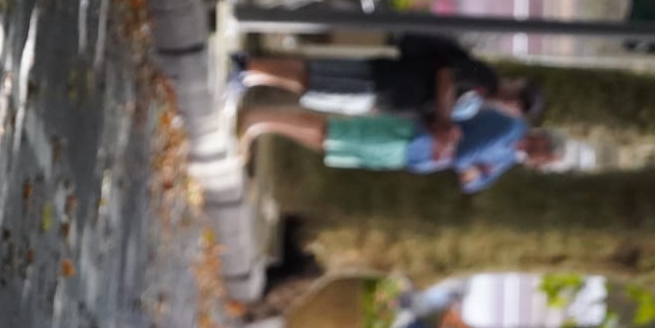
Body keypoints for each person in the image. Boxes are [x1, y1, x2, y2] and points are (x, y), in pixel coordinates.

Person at [238, 100, 562, 193]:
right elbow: (466, 157)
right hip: (414, 136)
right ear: (543, 143)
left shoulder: (510, 154)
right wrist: (469, 165)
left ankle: (266, 125)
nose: (539, 164)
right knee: (336, 131)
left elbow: (474, 183)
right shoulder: (510, 128)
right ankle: (260, 118)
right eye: (546, 158)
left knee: (333, 145)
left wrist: (470, 167)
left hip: (414, 155)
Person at [233, 33, 538, 130]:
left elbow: (430, 113)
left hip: (386, 96)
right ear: (517, 83)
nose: (512, 103)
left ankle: (252, 73)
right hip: (388, 80)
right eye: (519, 96)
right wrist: (444, 121)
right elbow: (446, 76)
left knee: (314, 84)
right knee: (314, 79)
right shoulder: (484, 79)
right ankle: (249, 69)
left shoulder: (475, 108)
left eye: (518, 108)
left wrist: (438, 124)